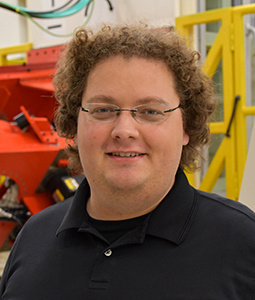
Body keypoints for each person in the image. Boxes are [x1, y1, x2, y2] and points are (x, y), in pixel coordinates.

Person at [1, 23, 255, 300]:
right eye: (103, 110)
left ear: (186, 127)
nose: (124, 130)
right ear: (74, 125)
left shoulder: (242, 243)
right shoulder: (34, 237)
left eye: (150, 111)